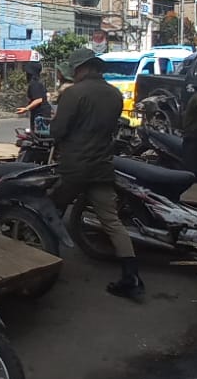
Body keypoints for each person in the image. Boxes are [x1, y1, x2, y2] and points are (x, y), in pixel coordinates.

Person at [50, 48, 141, 299]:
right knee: (111, 220)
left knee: (50, 211)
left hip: (74, 167)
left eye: (76, 70)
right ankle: (131, 275)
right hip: (102, 165)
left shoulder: (74, 94)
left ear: (83, 69)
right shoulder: (114, 94)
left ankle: (43, 262)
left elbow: (57, 130)